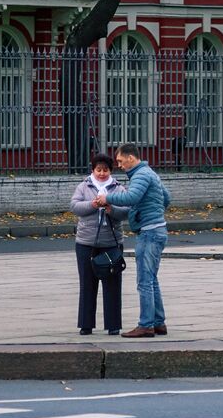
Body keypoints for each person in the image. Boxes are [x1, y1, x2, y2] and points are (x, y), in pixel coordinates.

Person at [94, 143, 169, 338]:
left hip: (150, 232)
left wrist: (107, 198)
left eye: (120, 161)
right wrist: (148, 211)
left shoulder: (141, 175)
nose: (119, 165)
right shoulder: (150, 173)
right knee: (151, 279)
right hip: (157, 229)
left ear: (130, 158)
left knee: (144, 280)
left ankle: (146, 325)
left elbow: (132, 196)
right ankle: (159, 322)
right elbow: (166, 198)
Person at [69, 153, 127, 336]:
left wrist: (112, 209)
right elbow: (75, 206)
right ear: (93, 170)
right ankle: (86, 324)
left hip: (112, 242)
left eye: (105, 170)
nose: (102, 173)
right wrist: (92, 205)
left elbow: (126, 211)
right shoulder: (84, 186)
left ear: (111, 171)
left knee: (112, 283)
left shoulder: (118, 188)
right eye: (98, 170)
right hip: (86, 242)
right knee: (87, 283)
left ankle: (113, 325)